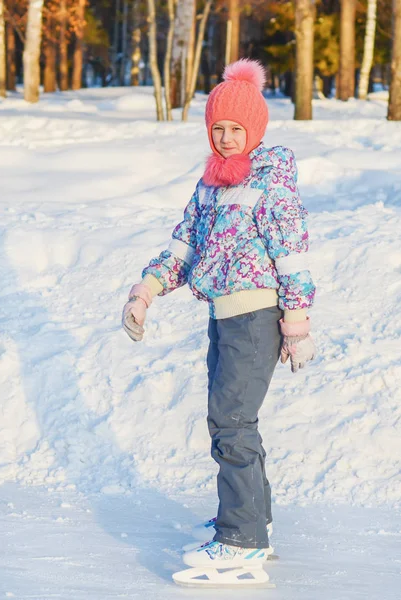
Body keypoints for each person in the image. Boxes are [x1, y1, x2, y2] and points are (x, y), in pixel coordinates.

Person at [122, 59, 316, 571]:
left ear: (254, 129)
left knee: (232, 421)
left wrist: (297, 322)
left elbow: (290, 250)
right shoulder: (211, 185)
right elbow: (184, 248)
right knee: (229, 421)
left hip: (257, 317)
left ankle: (242, 538)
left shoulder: (270, 181)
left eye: (237, 129)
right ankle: (252, 517)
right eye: (218, 129)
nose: (227, 139)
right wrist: (145, 290)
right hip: (223, 317)